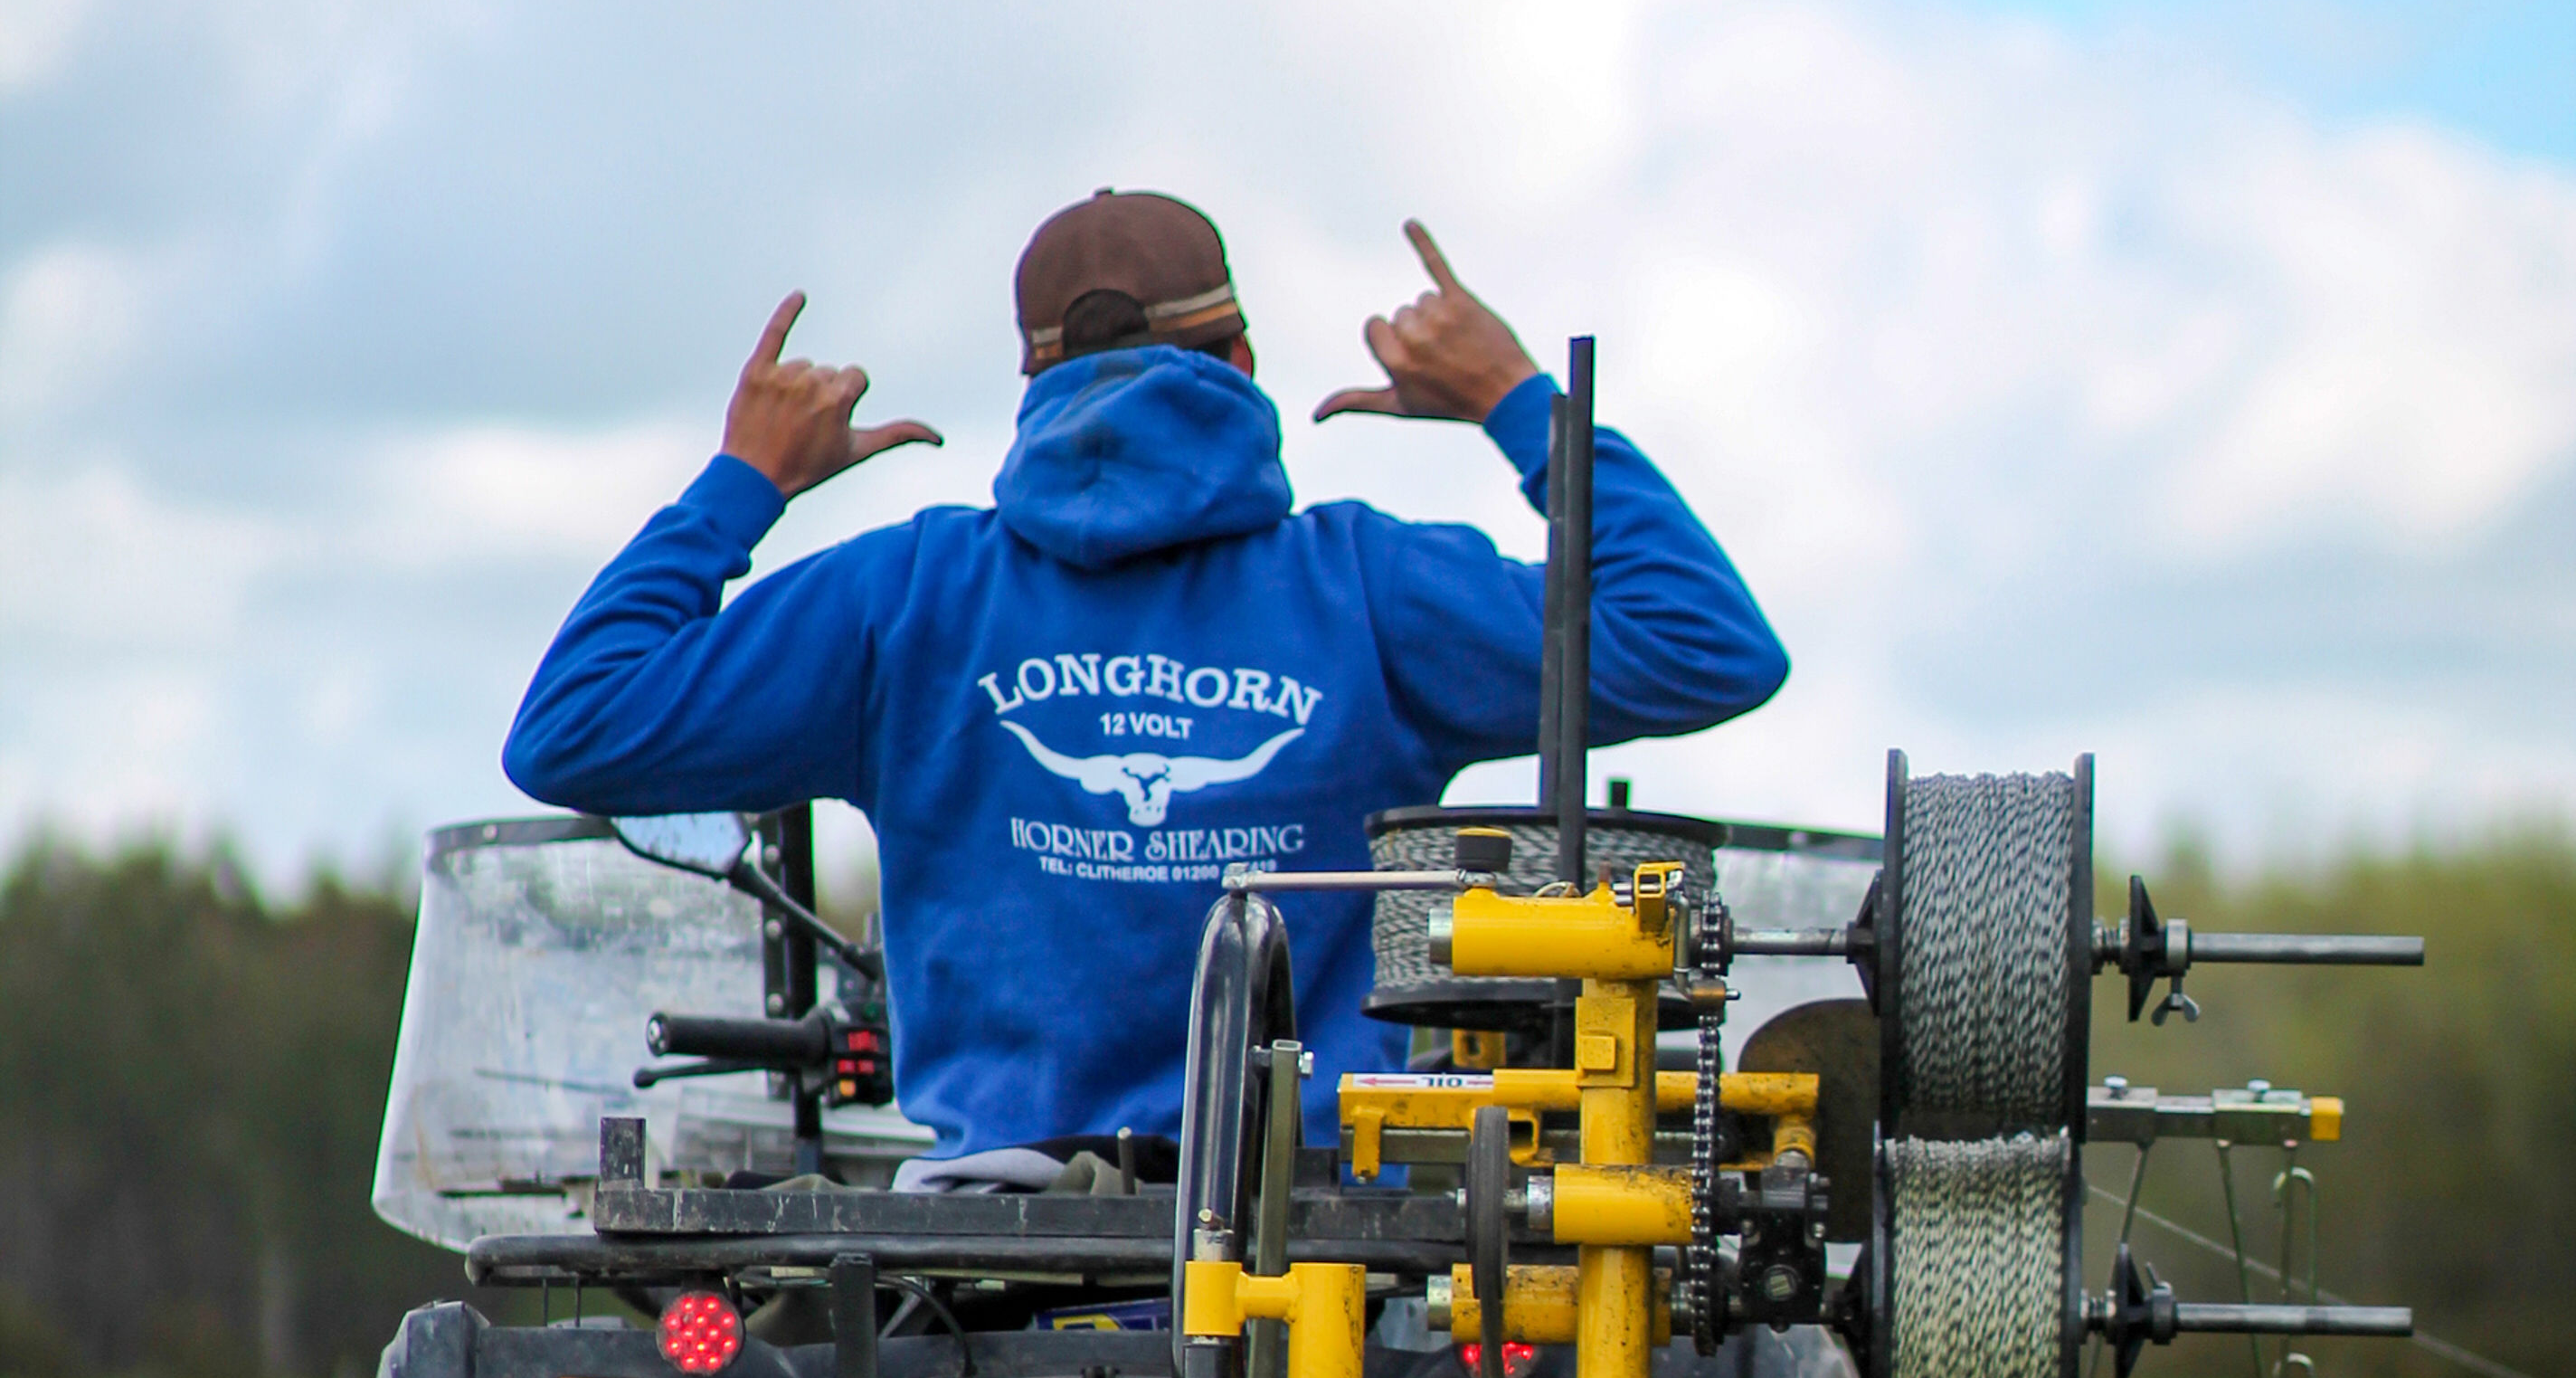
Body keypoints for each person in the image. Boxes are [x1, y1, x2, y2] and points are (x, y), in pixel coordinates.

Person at [504, 193, 1787, 1169]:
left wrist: (746, 482)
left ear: (1033, 389)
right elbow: (1707, 641)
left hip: (993, 1265)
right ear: (1239, 366)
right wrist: (1517, 402)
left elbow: (576, 729)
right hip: (1328, 1270)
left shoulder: (906, 600)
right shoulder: (1374, 593)